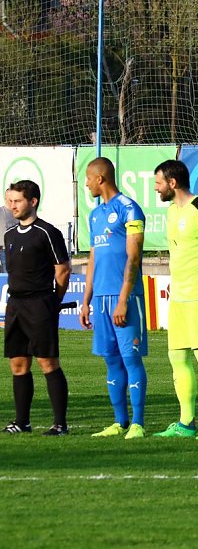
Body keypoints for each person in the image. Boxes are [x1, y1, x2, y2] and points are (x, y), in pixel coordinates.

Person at [152, 160, 198, 440]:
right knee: (177, 357)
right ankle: (186, 422)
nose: (156, 188)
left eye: (158, 183)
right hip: (179, 296)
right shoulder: (172, 212)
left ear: (172, 183)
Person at [80, 158, 148, 439]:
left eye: (87, 178)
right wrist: (86, 300)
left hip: (125, 297)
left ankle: (138, 423)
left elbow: (134, 257)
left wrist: (123, 299)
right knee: (110, 360)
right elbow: (94, 258)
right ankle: (119, 421)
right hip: (102, 299)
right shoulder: (96, 215)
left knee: (131, 360)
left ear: (101, 178)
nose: (85, 183)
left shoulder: (129, 209)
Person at [3, 180, 71, 435]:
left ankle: (60, 424)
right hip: (16, 305)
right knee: (18, 365)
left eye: (17, 201)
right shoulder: (9, 235)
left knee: (47, 363)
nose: (12, 206)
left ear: (33, 202)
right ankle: (22, 422)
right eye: (9, 201)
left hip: (40, 304)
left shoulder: (47, 232)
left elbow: (63, 270)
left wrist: (54, 300)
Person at [0, 189, 15, 273]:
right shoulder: (1, 211)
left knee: (8, 273)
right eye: (9, 197)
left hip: (11, 250)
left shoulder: (18, 213)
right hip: (2, 248)